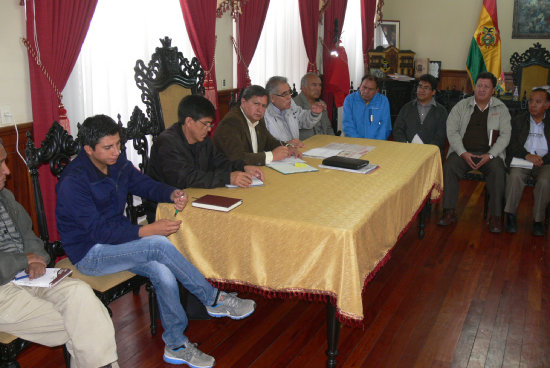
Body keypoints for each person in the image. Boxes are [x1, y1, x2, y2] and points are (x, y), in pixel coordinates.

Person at [56, 115, 256, 368]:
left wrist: (170, 193)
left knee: (163, 271)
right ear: (88, 149)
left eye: (119, 144)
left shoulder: (116, 163)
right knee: (158, 243)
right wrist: (147, 230)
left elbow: (142, 183)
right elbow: (98, 231)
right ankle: (213, 298)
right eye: (109, 147)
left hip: (117, 242)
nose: (117, 151)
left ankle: (175, 344)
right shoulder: (74, 181)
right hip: (90, 253)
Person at [0, 139, 119, 368]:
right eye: (1, 163)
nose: (7, 170)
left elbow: (29, 236)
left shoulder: (6, 197)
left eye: (5, 161)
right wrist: (23, 259)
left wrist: (37, 259)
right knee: (89, 321)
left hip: (28, 276)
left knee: (80, 293)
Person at [147, 95, 264, 221]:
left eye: (210, 124)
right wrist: (228, 178)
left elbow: (219, 161)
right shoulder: (167, 143)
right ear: (189, 122)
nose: (208, 129)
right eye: (205, 124)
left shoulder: (201, 138)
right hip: (167, 206)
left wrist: (242, 167)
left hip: (196, 197)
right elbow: (186, 178)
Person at [437, 72, 511, 233]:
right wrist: (463, 153)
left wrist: (490, 155)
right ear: (474, 87)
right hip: (463, 152)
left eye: (486, 87)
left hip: (490, 154)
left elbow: (505, 136)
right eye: (479, 86)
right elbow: (452, 131)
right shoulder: (461, 106)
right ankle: (449, 211)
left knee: (498, 171)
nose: (482, 89)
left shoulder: (501, 108)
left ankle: (496, 217)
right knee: (449, 167)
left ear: (493, 90)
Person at [213, 85, 302, 165]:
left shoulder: (257, 118)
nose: (260, 110)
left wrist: (287, 147)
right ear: (243, 102)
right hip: (229, 176)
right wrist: (271, 156)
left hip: (253, 171)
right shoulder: (231, 122)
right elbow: (236, 158)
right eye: (256, 104)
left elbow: (269, 141)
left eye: (264, 106)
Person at [504, 88, 550, 236]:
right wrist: (527, 155)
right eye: (531, 101)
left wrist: (543, 159)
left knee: (545, 181)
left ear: (547, 105)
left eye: (538, 102)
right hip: (522, 159)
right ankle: (510, 215)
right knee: (515, 176)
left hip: (545, 163)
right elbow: (512, 145)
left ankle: (538, 220)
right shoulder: (518, 120)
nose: (533, 105)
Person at [393, 74, 448, 158]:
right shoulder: (407, 107)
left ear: (433, 92)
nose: (421, 90)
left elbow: (440, 136)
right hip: (406, 151)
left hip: (431, 154)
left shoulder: (441, 111)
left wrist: (425, 150)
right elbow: (398, 129)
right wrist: (405, 145)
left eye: (426, 88)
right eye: (420, 86)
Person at [264, 76, 325, 147]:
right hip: (278, 155)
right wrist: (286, 144)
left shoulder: (291, 104)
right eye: (284, 94)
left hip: (295, 152)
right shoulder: (263, 114)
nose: (289, 97)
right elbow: (264, 145)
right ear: (272, 98)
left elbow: (303, 120)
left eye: (289, 92)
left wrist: (314, 113)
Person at [342, 75, 392, 140]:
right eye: (364, 87)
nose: (366, 91)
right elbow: (347, 125)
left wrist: (377, 143)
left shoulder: (383, 101)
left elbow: (385, 126)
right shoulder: (349, 100)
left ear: (376, 90)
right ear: (360, 86)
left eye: (370, 89)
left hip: (377, 143)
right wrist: (358, 142)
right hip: (354, 143)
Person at [293, 73, 335, 140]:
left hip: (325, 143)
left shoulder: (321, 104)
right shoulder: (295, 104)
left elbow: (328, 128)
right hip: (306, 145)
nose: (318, 88)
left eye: (320, 85)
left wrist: (334, 141)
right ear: (303, 88)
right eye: (314, 85)